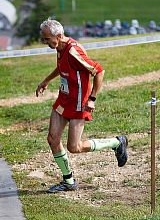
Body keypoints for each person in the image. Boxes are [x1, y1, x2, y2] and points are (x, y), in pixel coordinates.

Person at [35, 18, 128, 193]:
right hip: (64, 99)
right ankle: (69, 181)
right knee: (52, 139)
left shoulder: (73, 51)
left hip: (78, 102)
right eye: (44, 38)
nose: (45, 42)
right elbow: (62, 67)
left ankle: (116, 143)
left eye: (47, 39)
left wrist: (92, 99)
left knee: (74, 147)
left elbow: (99, 71)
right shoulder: (60, 47)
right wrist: (46, 80)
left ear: (59, 35)